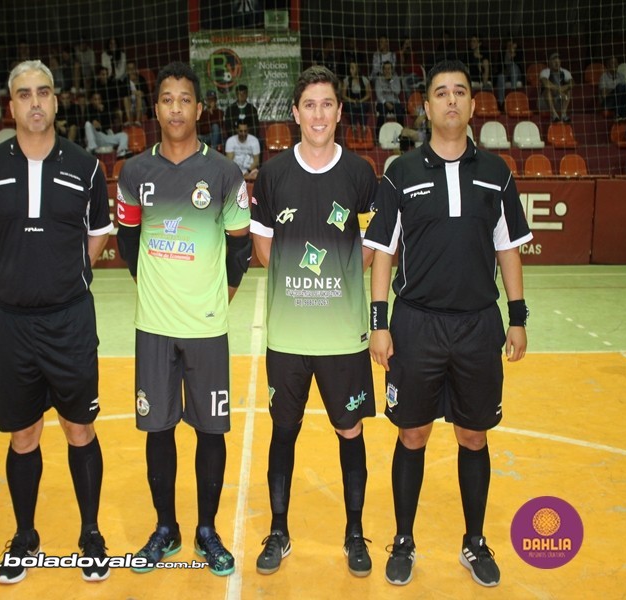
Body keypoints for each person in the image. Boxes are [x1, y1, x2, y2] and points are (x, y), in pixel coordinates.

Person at [363, 59, 533, 588]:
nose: (452, 100)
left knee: (473, 435)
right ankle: (404, 541)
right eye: (441, 92)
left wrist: (518, 317)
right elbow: (384, 252)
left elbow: (508, 248)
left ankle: (474, 542)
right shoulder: (401, 172)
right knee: (412, 433)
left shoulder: (497, 172)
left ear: (473, 105)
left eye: (460, 91)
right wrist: (379, 322)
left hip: (478, 326)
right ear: (427, 106)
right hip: (416, 325)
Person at [0, 59, 113, 585]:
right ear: (11, 105)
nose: (35, 102)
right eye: (24, 94)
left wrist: (64, 274)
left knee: (79, 428)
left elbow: (98, 234)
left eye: (43, 92)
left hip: (70, 320)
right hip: (12, 325)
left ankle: (90, 533)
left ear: (55, 100)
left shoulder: (85, 167)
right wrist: (17, 273)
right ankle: (25, 535)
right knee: (23, 433)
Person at [115, 61, 252, 577]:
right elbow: (128, 240)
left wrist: (221, 296)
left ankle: (207, 531)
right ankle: (165, 528)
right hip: (153, 326)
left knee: (210, 431)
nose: (176, 108)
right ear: (156, 109)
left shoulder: (224, 173)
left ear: (199, 108)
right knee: (159, 429)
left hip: (207, 329)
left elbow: (240, 247)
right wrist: (153, 290)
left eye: (185, 99)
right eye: (167, 99)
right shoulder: (134, 173)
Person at [250, 64, 377, 578]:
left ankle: (355, 533)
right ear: (295, 112)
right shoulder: (273, 174)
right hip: (288, 335)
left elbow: (374, 245)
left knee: (350, 430)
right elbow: (262, 247)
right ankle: (279, 530)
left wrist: (341, 275)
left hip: (343, 336)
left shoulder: (360, 174)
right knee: (284, 430)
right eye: (310, 105)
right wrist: (301, 280)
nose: (319, 114)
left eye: (327, 104)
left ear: (339, 112)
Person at [84, 91, 130, 156]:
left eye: (99, 99)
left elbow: (108, 125)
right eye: (95, 99)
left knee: (124, 135)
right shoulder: (88, 108)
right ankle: (92, 149)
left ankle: (121, 152)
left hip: (104, 136)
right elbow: (86, 121)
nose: (97, 101)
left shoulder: (105, 109)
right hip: (94, 137)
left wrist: (101, 112)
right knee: (87, 124)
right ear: (91, 100)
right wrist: (93, 121)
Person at [374, 61, 406, 140]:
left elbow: (397, 91)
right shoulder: (379, 79)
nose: (387, 71)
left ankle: (401, 135)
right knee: (382, 113)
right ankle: (377, 136)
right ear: (383, 70)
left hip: (394, 102)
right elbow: (378, 94)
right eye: (385, 69)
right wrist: (386, 102)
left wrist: (390, 81)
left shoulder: (395, 78)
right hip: (383, 102)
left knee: (400, 114)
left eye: (389, 69)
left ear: (392, 70)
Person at [540, 53, 573, 122]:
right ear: (549, 62)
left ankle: (563, 114)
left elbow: (571, 83)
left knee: (568, 91)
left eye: (558, 61)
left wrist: (565, 88)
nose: (557, 64)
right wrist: (559, 89)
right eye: (554, 62)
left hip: (559, 100)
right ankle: (554, 115)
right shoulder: (545, 72)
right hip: (545, 102)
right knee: (547, 90)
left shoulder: (565, 72)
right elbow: (546, 83)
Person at [342, 61, 372, 137]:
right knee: (349, 106)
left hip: (362, 101)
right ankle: (354, 127)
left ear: (358, 69)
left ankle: (364, 127)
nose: (350, 70)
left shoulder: (364, 79)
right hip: (351, 102)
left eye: (352, 68)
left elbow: (368, 94)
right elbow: (343, 95)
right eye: (350, 68)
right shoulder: (347, 80)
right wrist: (352, 101)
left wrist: (360, 101)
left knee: (363, 106)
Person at [599, 56, 626, 121]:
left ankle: (623, 114)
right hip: (608, 102)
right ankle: (619, 114)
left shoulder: (621, 76)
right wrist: (616, 89)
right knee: (620, 87)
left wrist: (610, 90)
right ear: (608, 65)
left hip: (621, 101)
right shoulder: (604, 77)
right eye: (613, 63)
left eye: (616, 63)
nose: (615, 65)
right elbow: (604, 94)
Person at [495, 39, 524, 106]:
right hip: (505, 73)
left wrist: (512, 55)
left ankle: (513, 94)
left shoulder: (518, 51)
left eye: (511, 45)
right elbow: (499, 66)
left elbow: (519, 64)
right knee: (500, 77)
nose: (510, 46)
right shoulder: (502, 52)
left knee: (513, 67)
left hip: (516, 73)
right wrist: (504, 70)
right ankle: (501, 103)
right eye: (508, 45)